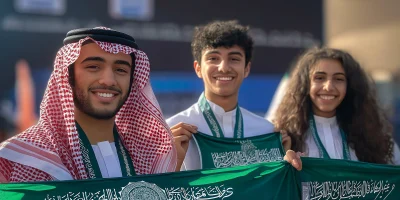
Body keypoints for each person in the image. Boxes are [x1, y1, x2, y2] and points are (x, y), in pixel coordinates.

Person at [0, 27, 177, 183]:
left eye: (121, 70)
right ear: (68, 75)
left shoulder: (152, 157)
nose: (108, 80)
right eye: (93, 67)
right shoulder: (18, 159)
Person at [167, 20, 301, 171]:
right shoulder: (172, 131)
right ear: (198, 68)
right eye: (213, 58)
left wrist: (282, 163)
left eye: (234, 59)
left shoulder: (265, 132)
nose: (224, 68)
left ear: (247, 69)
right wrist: (171, 162)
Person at [274, 47, 400, 164]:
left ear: (350, 86)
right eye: (319, 78)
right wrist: (283, 159)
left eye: (338, 79)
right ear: (305, 85)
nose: (328, 87)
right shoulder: (283, 136)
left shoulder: (374, 137)